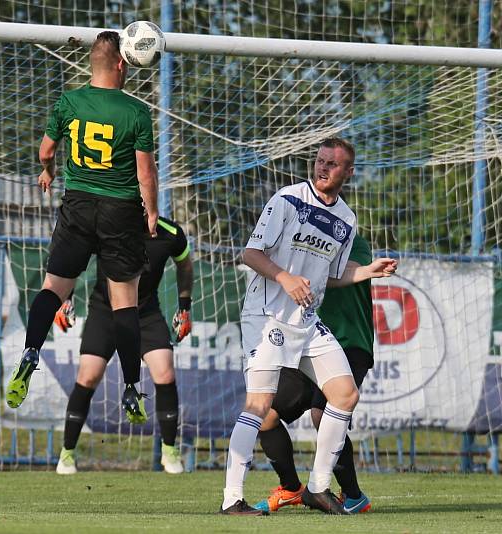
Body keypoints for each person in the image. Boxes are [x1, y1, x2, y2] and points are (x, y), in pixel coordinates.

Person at [221, 138, 397, 516]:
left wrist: (366, 271)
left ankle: (318, 488)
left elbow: (331, 276)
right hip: (267, 315)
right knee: (259, 405)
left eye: (333, 164)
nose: (322, 167)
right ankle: (231, 500)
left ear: (348, 173)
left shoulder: (345, 220)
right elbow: (250, 253)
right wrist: (284, 277)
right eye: (320, 160)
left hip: (307, 320)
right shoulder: (288, 200)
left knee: (345, 394)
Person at [5, 31, 159, 423]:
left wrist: (48, 170)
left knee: (53, 289)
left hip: (77, 204)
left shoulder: (69, 102)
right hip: (121, 210)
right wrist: (153, 213)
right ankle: (130, 388)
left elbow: (45, 150)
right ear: (123, 64)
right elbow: (145, 172)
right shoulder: (137, 112)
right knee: (125, 302)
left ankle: (31, 350)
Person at [53, 216, 194, 475]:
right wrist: (66, 299)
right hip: (105, 311)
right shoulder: (107, 223)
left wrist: (184, 307)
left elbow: (185, 264)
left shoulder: (170, 233)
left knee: (165, 371)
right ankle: (67, 453)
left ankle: (170, 451)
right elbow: (71, 257)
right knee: (88, 376)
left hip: (145, 314)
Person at [254, 232, 375, 514]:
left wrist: (289, 273)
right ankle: (291, 488)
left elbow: (345, 272)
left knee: (324, 414)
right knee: (263, 413)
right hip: (306, 343)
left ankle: (354, 496)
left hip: (348, 342)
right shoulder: (295, 243)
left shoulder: (352, 241)